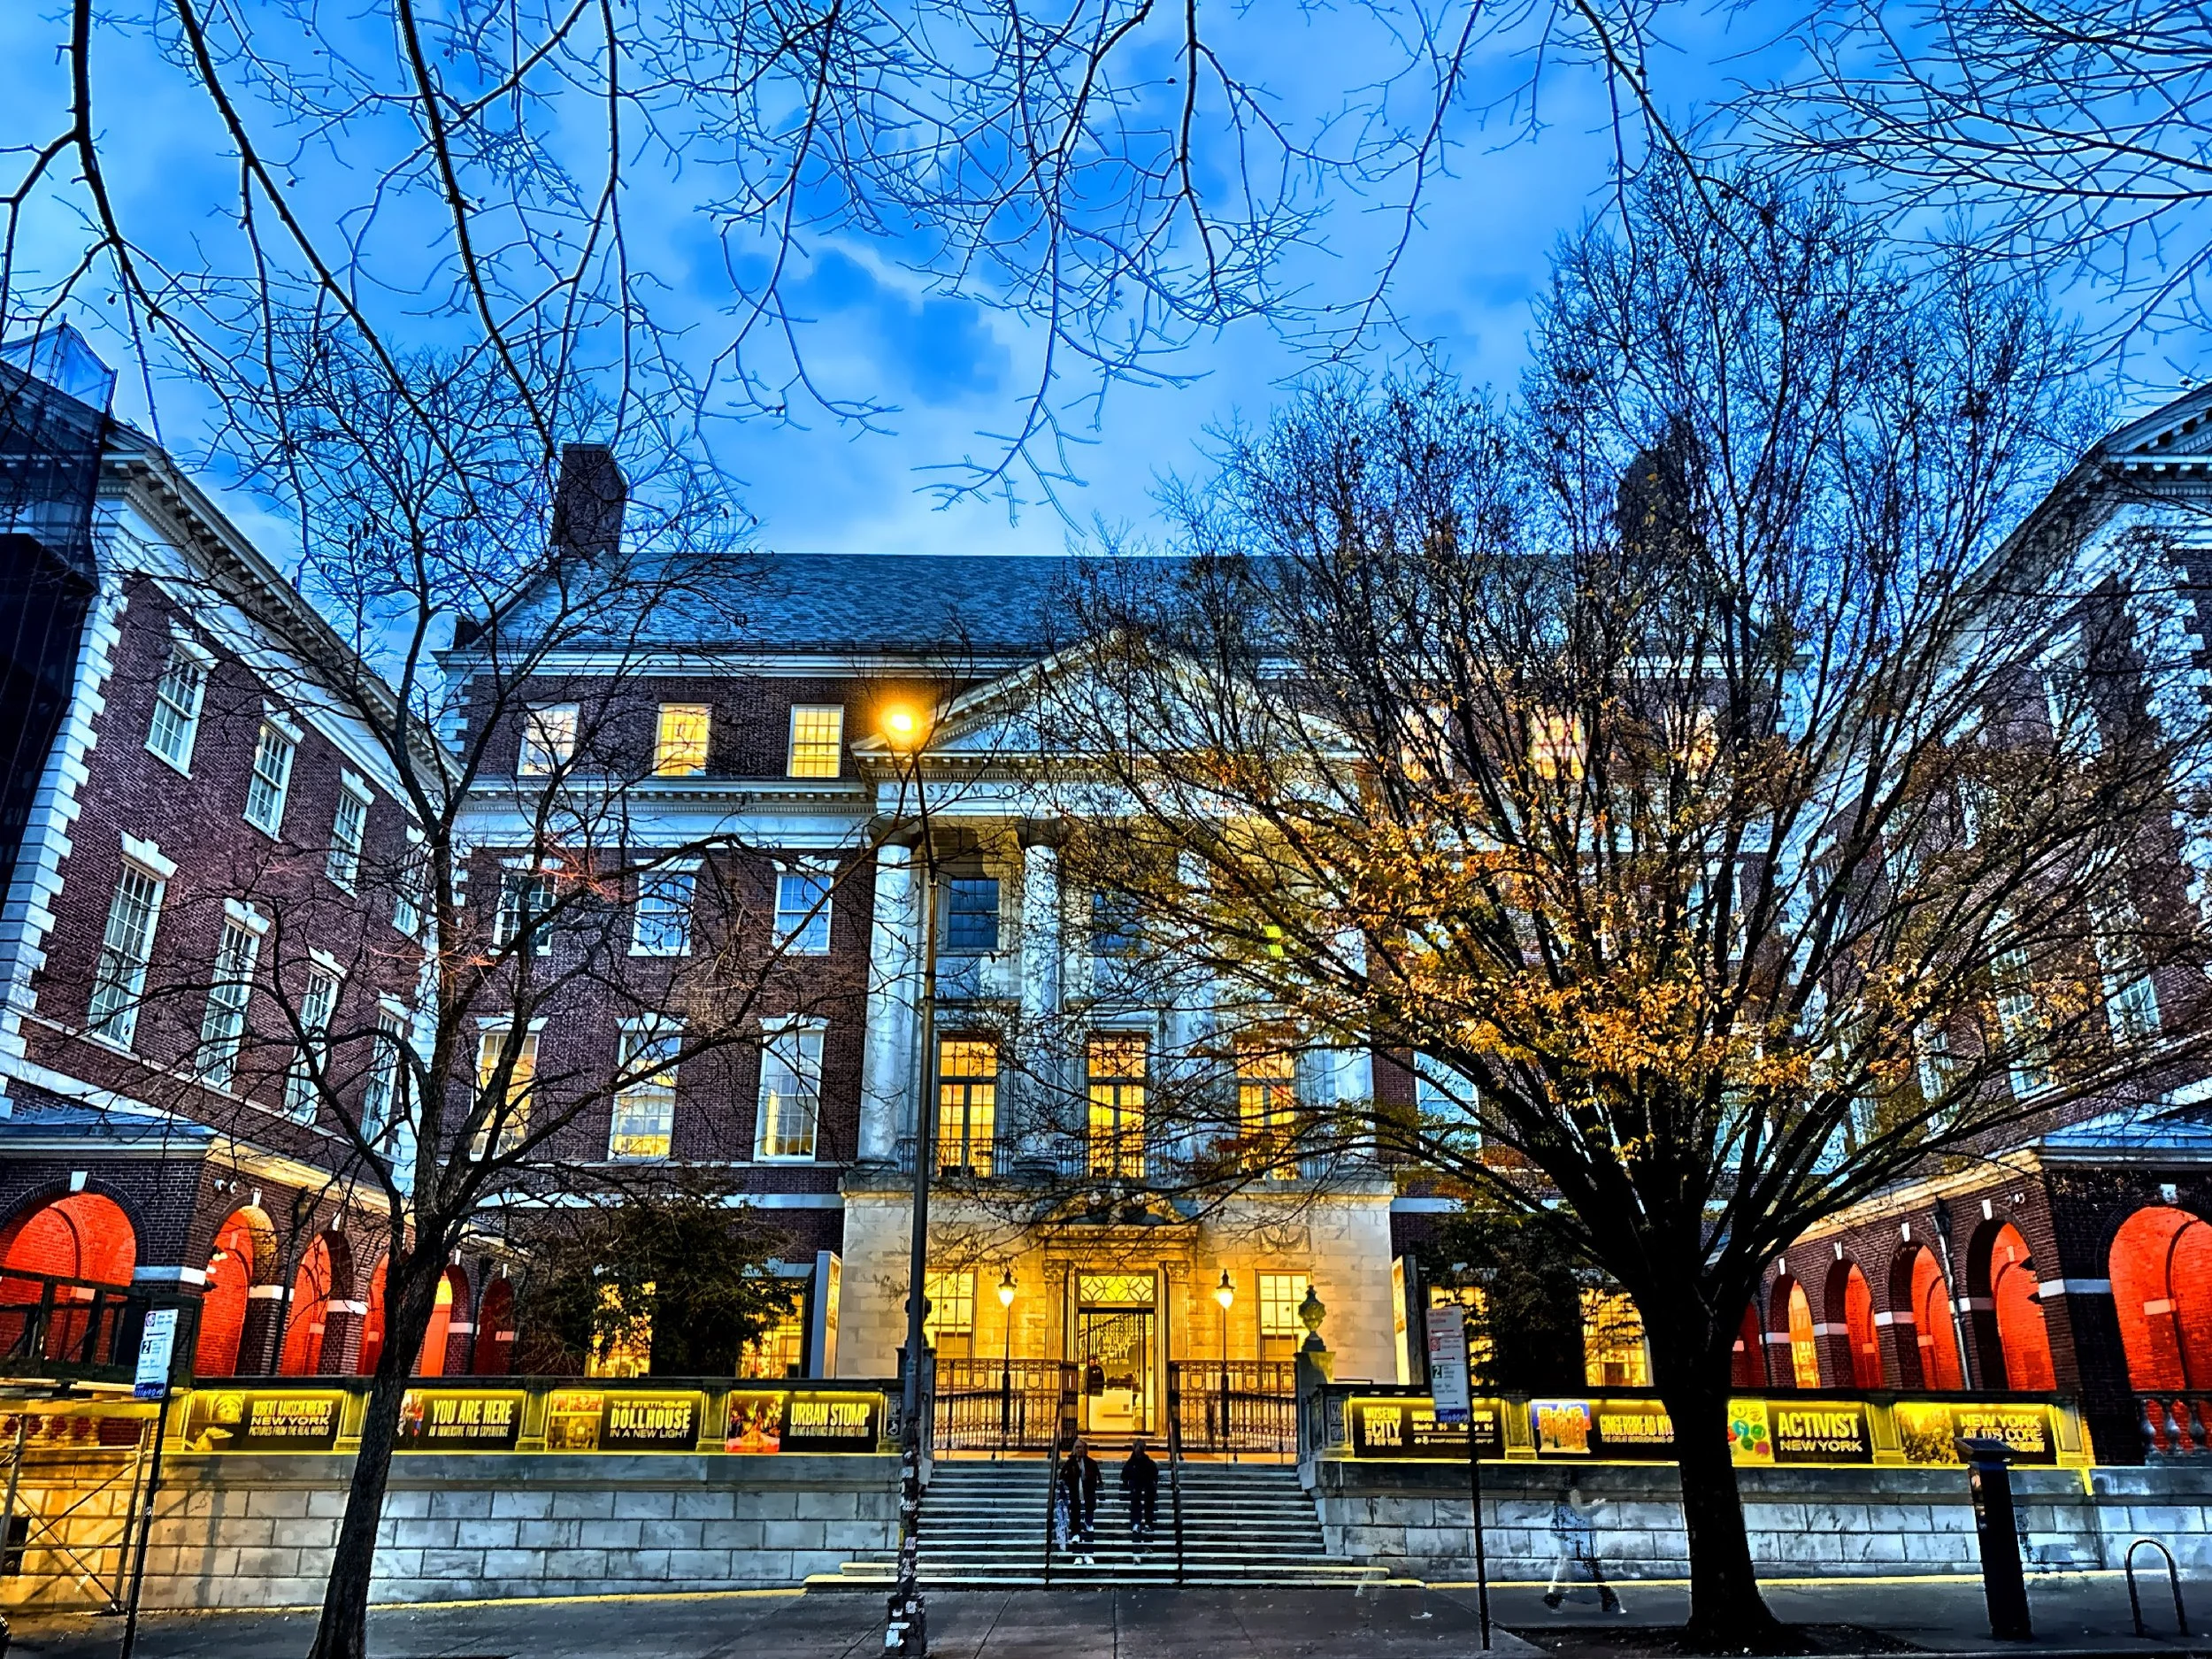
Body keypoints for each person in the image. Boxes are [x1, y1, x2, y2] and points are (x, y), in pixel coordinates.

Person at [1544, 1471, 1624, 1614]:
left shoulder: (1560, 1501)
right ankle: (1611, 1604)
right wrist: (1596, 1507)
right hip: (1580, 1546)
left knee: (1567, 1575)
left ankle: (1554, 1598)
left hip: (1570, 1545)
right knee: (1594, 1576)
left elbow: (1570, 1516)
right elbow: (1580, 1512)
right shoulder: (1573, 1493)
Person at [1057, 1436, 1102, 1565]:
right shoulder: (1070, 1463)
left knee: (1088, 1527)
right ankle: (1077, 1555)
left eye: (1081, 1448)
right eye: (1076, 1448)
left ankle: (1088, 1554)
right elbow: (1062, 1478)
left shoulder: (1091, 1463)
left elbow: (1097, 1480)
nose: (1078, 1450)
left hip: (1088, 1499)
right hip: (1074, 1500)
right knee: (1075, 1528)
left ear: (1085, 1449)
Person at [1121, 1438, 1160, 1558]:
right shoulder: (1131, 1463)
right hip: (1137, 1492)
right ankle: (1138, 1531)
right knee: (1137, 1512)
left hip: (1147, 1492)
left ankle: (1147, 1536)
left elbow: (1155, 1475)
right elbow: (1124, 1475)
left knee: (1148, 1512)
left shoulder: (1147, 1462)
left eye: (1140, 1449)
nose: (1138, 1452)